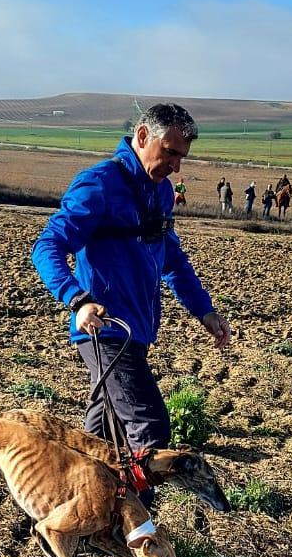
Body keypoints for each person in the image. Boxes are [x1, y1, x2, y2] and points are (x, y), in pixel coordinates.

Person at [31, 101, 230, 459]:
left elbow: (172, 259)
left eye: (181, 156)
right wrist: (77, 300)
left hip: (135, 332)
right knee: (150, 428)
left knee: (100, 440)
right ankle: (139, 515)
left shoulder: (162, 192)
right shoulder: (100, 184)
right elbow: (47, 246)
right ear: (142, 136)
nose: (175, 165)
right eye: (169, 152)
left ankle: (76, 508)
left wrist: (204, 311)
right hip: (106, 331)